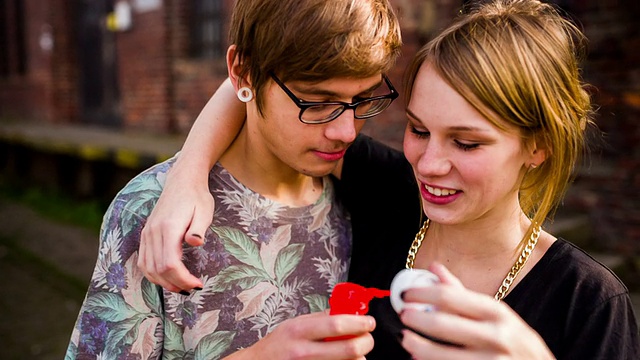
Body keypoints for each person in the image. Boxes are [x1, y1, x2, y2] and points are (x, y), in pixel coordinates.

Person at [140, 0, 640, 359]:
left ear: (537, 145)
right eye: (419, 129)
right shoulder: (392, 197)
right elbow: (261, 81)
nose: (430, 164)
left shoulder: (590, 303)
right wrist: (188, 174)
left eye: (467, 143)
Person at [65, 0, 403, 358]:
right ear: (242, 74)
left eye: (365, 98)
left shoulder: (370, 199)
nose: (347, 132)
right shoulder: (151, 211)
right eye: (317, 103)